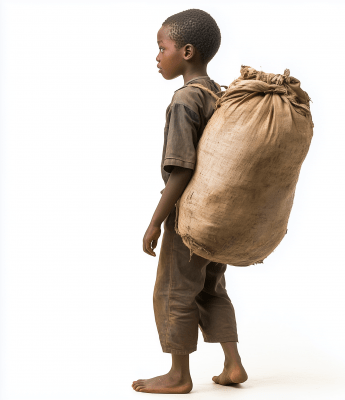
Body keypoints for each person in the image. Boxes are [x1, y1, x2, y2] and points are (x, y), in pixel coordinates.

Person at [132, 9, 247, 394]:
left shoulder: (185, 100)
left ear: (186, 51)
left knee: (173, 290)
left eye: (161, 47)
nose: (157, 56)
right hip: (220, 218)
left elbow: (181, 169)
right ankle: (233, 365)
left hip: (190, 216)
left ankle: (179, 375)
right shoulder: (220, 94)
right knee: (211, 289)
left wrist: (154, 222)